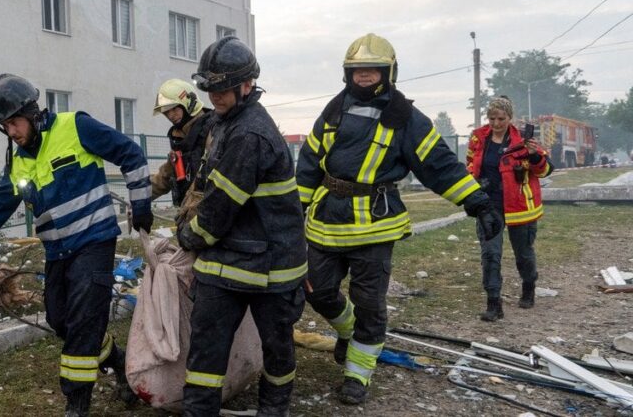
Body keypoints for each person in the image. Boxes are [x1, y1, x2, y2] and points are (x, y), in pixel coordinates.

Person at [296, 33, 503, 405]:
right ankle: (349, 334)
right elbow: (310, 163)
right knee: (319, 291)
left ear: (388, 72)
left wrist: (478, 202)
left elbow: (438, 163)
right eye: (358, 70)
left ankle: (358, 375)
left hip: (376, 225)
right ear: (348, 73)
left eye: (372, 69)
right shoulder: (332, 110)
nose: (364, 76)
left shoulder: (405, 117)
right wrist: (295, 209)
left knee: (369, 303)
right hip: (327, 220)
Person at [0, 74, 153, 417]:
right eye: (4, 126)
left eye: (14, 123)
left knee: (83, 323)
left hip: (94, 242)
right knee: (60, 320)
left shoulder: (76, 126)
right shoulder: (19, 162)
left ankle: (76, 403)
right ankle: (118, 361)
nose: (11, 132)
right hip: (58, 252)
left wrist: (141, 203)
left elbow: (130, 154)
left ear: (32, 113)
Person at [177, 37, 308, 417]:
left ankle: (273, 410)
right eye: (210, 88)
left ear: (246, 85)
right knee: (206, 354)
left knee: (277, 348)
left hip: (271, 266)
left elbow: (219, 209)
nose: (214, 96)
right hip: (232, 260)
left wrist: (189, 237)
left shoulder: (249, 134)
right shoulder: (226, 122)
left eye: (221, 88)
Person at [466, 96, 552, 321]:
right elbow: (470, 165)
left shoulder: (523, 141)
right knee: (490, 254)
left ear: (510, 118)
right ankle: (494, 303)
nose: (495, 123)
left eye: (501, 119)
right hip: (488, 205)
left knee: (523, 253)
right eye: (492, 118)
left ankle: (528, 285)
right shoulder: (478, 137)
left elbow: (544, 171)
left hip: (520, 206)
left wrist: (534, 155)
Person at [149, 79, 213, 207]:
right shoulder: (179, 138)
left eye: (174, 109)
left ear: (189, 102)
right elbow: (165, 176)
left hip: (211, 213)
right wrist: (139, 198)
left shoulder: (212, 130)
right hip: (190, 214)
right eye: (166, 112)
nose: (171, 116)